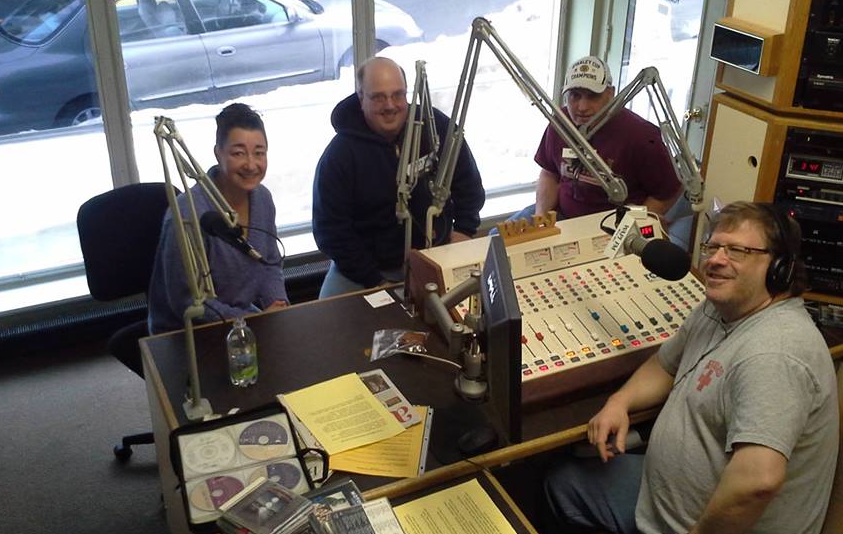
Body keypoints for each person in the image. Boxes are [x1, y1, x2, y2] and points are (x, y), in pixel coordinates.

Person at [544, 201, 838, 534]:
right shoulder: (721, 310)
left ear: (779, 268)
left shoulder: (775, 354)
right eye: (712, 247)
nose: (716, 261)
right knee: (561, 483)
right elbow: (665, 365)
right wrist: (620, 401)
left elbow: (758, 481)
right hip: (668, 500)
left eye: (737, 250)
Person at [312, 56, 485, 298]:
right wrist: (374, 280)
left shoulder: (436, 128)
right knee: (328, 324)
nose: (390, 105)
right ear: (361, 98)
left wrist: (465, 229)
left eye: (397, 95)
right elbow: (331, 231)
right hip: (364, 270)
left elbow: (468, 183)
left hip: (434, 254)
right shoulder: (338, 156)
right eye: (378, 97)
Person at [148, 103, 288, 334]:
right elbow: (187, 303)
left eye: (259, 153)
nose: (251, 164)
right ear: (217, 153)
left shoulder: (262, 199)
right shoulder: (188, 215)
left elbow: (269, 264)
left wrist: (278, 307)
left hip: (242, 320)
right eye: (238, 153)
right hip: (187, 333)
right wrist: (255, 321)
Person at [514, 55, 681, 225]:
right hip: (562, 214)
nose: (582, 107)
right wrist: (541, 218)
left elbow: (667, 193)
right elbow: (549, 173)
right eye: (575, 96)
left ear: (611, 93)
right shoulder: (560, 123)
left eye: (592, 96)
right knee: (497, 240)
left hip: (609, 227)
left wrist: (630, 228)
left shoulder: (641, 135)